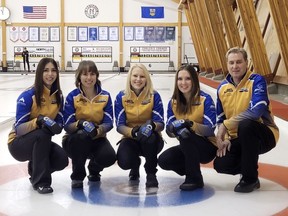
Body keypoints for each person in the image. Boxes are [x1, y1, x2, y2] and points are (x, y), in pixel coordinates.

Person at [213, 47, 279, 193]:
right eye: (231, 63)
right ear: (227, 64)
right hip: (238, 137)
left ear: (246, 63)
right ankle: (248, 166)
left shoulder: (257, 81)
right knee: (221, 164)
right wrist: (224, 138)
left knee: (247, 125)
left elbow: (256, 112)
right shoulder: (222, 87)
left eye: (238, 62)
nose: (235, 66)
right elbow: (220, 117)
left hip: (265, 134)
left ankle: (250, 178)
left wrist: (226, 125)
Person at [7, 57, 68, 194]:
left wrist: (57, 125)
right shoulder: (28, 96)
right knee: (42, 133)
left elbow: (59, 120)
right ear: (39, 73)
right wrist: (38, 121)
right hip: (18, 144)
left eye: (53, 70)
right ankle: (41, 182)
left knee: (61, 159)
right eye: (45, 70)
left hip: (41, 143)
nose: (50, 74)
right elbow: (19, 129)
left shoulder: (58, 96)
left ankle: (35, 170)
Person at [158, 64, 217, 191]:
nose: (183, 83)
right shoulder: (173, 102)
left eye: (188, 79)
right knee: (164, 160)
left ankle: (194, 178)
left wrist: (189, 124)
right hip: (186, 144)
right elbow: (170, 129)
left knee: (186, 133)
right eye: (180, 79)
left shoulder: (205, 99)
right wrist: (173, 129)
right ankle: (192, 169)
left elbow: (210, 129)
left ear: (194, 80)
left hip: (206, 147)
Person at [62, 60, 116, 188]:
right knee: (81, 136)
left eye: (92, 74)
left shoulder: (105, 96)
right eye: (85, 74)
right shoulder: (72, 96)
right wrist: (80, 124)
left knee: (109, 157)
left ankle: (94, 169)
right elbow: (67, 125)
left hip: (97, 138)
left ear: (96, 76)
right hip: (75, 140)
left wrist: (98, 130)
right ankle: (77, 176)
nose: (89, 78)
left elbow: (109, 123)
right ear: (79, 77)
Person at [114, 63, 164, 188]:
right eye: (135, 76)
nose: (138, 79)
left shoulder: (154, 95)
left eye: (142, 76)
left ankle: (151, 173)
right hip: (130, 137)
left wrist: (151, 126)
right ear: (129, 77)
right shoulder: (121, 97)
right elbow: (120, 125)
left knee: (150, 137)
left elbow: (161, 123)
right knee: (124, 162)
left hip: (151, 139)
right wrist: (134, 132)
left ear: (147, 78)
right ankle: (135, 165)